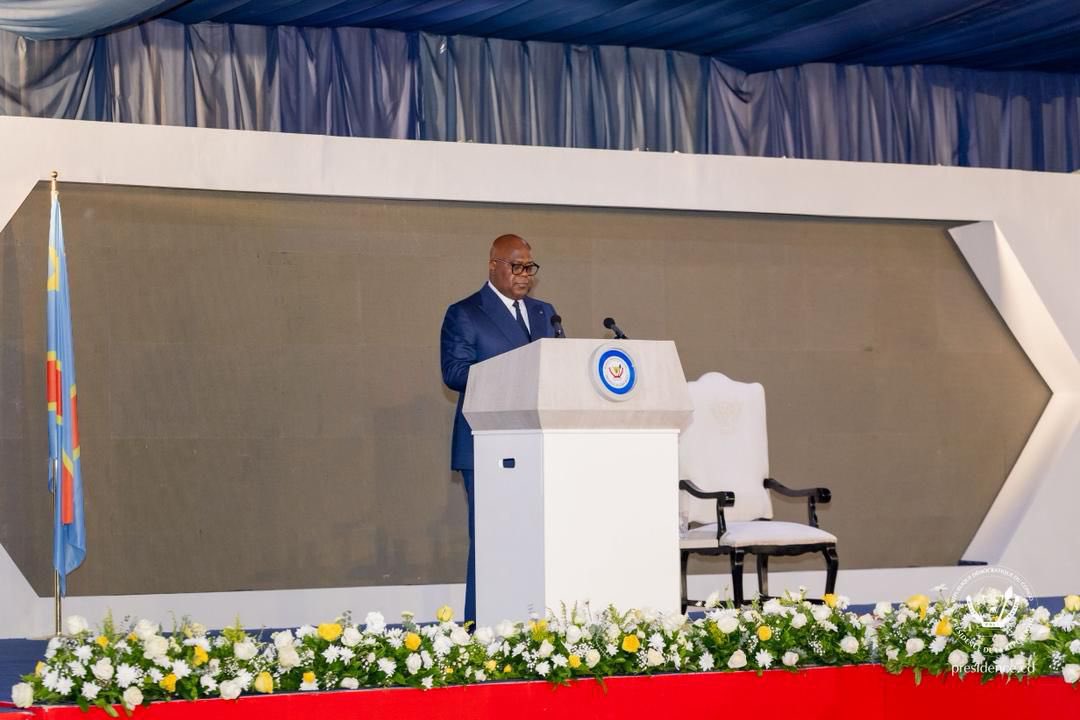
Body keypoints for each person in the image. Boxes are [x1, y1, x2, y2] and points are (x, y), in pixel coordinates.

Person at [440, 234, 559, 625]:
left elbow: (558, 371)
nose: (525, 275)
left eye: (530, 267)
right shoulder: (465, 313)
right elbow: (455, 373)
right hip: (486, 446)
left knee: (537, 540)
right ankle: (480, 626)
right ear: (493, 265)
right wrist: (511, 375)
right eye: (517, 266)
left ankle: (536, 624)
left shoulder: (545, 314)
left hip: (539, 446)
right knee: (491, 541)